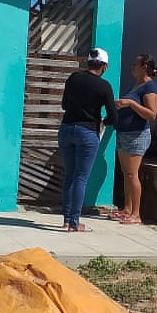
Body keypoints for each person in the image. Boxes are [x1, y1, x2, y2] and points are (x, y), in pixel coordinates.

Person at [58, 48, 117, 233]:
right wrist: (103, 122)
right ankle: (75, 223)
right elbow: (114, 117)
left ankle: (67, 220)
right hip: (87, 132)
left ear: (88, 62)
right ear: (104, 66)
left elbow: (64, 105)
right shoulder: (104, 86)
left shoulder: (73, 78)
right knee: (81, 178)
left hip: (66, 129)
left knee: (69, 175)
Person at [113, 54, 157, 225]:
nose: (132, 67)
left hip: (137, 135)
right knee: (126, 174)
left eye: (135, 64)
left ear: (144, 67)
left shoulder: (150, 88)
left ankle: (136, 214)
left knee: (133, 174)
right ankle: (127, 209)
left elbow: (152, 114)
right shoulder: (137, 85)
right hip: (125, 133)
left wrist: (131, 104)